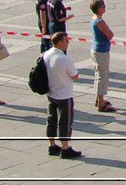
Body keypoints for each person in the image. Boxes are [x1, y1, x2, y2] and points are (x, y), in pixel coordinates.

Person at [42, 31, 82, 159]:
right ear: (59, 42)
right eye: (66, 40)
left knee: (51, 120)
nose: (68, 42)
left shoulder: (46, 54)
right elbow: (75, 75)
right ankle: (65, 148)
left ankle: (52, 145)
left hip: (51, 92)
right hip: (64, 94)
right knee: (65, 122)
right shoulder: (63, 58)